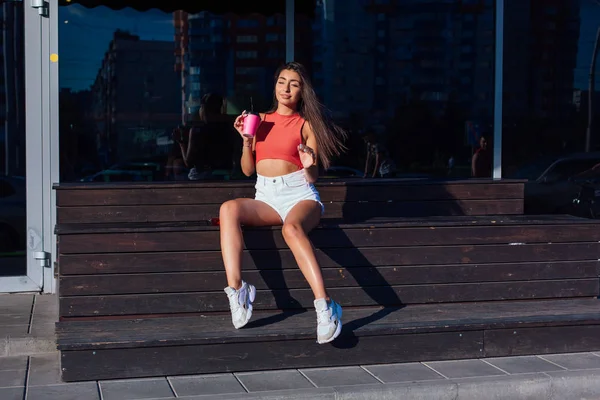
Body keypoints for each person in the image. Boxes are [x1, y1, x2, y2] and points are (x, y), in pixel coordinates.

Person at [219, 61, 347, 344]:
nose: (286, 88)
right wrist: (246, 141)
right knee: (228, 208)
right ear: (275, 85)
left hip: (300, 194)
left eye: (294, 84)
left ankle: (326, 307)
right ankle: (237, 290)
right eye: (281, 81)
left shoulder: (306, 124)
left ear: (302, 91)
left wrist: (309, 164)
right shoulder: (259, 119)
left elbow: (312, 177)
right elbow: (248, 170)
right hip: (266, 195)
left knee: (291, 229)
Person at [174, 93, 235, 180]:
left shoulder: (197, 131)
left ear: (204, 110)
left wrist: (181, 142)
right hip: (226, 177)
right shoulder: (230, 128)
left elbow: (189, 162)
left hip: (201, 178)